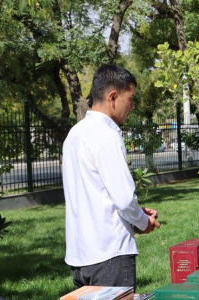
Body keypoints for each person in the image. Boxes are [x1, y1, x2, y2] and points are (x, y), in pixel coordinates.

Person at [62, 64, 160, 291]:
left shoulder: (75, 134)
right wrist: (144, 223)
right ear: (113, 97)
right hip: (110, 255)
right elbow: (124, 200)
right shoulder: (106, 135)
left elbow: (96, 195)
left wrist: (135, 215)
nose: (132, 106)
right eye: (131, 98)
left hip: (81, 257)